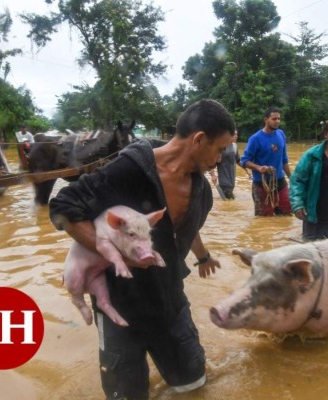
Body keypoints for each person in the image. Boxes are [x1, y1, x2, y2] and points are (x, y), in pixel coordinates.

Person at [48, 99, 236, 400]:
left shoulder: (201, 190)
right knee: (126, 395)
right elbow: (63, 208)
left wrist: (203, 256)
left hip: (170, 302)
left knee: (194, 385)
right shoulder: (128, 170)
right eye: (220, 148)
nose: (222, 157)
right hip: (121, 306)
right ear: (199, 140)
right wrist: (116, 253)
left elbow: (182, 227)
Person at [240, 106, 292, 216]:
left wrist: (292, 178)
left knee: (287, 214)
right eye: (274, 119)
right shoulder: (255, 139)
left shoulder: (281, 134)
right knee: (264, 219)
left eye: (278, 119)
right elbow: (244, 161)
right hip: (261, 184)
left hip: (280, 181)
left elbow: (284, 160)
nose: (277, 121)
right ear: (266, 120)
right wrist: (259, 168)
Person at [208, 129, 250, 199]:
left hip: (232, 182)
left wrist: (247, 170)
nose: (236, 136)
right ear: (228, 136)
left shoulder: (234, 146)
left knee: (227, 202)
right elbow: (212, 161)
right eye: (234, 134)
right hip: (223, 182)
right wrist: (213, 175)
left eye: (237, 134)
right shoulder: (221, 147)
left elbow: (238, 161)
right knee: (231, 203)